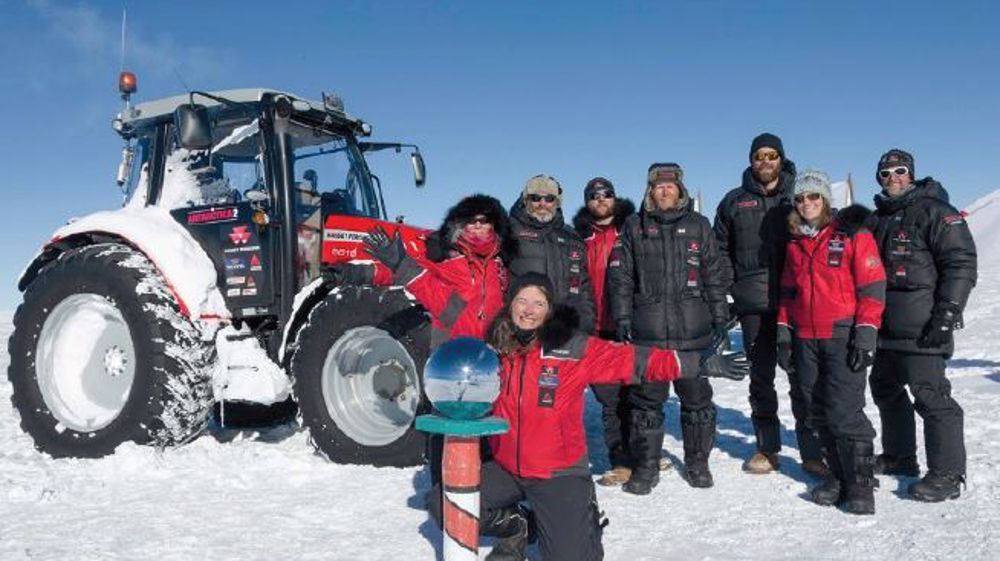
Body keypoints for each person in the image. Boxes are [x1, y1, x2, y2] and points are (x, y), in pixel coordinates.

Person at [426, 273, 748, 561]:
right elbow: (449, 306)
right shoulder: (496, 347)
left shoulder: (572, 347)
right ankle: (520, 525)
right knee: (444, 502)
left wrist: (696, 364)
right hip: (508, 467)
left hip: (558, 473)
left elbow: (634, 361)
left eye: (538, 302)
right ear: (510, 305)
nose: (528, 309)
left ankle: (583, 518)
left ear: (549, 309)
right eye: (521, 300)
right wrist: (403, 269)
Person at [363, 194, 515, 485]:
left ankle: (482, 486)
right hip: (450, 358)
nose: (478, 228)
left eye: (484, 222)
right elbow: (408, 273)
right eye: (471, 222)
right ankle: (440, 486)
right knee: (445, 422)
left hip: (487, 361)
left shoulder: (501, 268)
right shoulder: (449, 263)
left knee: (485, 424)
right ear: (460, 227)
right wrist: (363, 272)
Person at [606, 163, 729, 493]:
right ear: (650, 191)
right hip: (649, 334)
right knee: (646, 406)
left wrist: (720, 319)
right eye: (658, 187)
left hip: (694, 332)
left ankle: (698, 464)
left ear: (679, 190)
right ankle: (646, 468)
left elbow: (715, 275)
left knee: (698, 403)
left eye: (670, 186)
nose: (664, 191)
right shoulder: (634, 227)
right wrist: (622, 319)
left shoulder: (699, 226)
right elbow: (619, 278)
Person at [713, 133, 829, 477]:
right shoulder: (734, 201)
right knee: (761, 379)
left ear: (781, 158)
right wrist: (731, 289)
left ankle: (812, 451)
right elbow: (720, 249)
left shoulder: (800, 196)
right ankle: (767, 447)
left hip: (798, 304)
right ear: (751, 160)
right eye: (759, 156)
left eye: (772, 155)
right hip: (754, 305)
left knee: (803, 378)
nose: (766, 161)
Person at [868, 149, 977, 502]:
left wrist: (946, 314)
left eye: (900, 171)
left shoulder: (936, 212)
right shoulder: (878, 218)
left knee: (931, 397)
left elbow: (960, 264)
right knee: (885, 389)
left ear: (911, 174)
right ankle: (900, 456)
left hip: (923, 327)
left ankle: (947, 473)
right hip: (884, 328)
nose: (893, 178)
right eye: (886, 173)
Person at [776, 169, 886, 515]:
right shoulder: (795, 240)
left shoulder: (851, 234)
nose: (806, 203)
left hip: (841, 336)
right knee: (817, 410)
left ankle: (861, 487)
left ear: (825, 199)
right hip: (805, 337)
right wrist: (783, 329)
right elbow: (787, 291)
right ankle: (838, 477)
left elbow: (872, 285)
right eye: (801, 198)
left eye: (814, 196)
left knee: (845, 412)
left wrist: (866, 330)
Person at [571, 177, 638, 486]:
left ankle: (642, 452)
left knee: (637, 395)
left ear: (615, 197)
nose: (601, 199)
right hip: (595, 327)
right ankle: (621, 460)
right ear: (587, 201)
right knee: (609, 398)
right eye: (594, 196)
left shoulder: (633, 229)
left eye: (606, 194)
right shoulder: (577, 238)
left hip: (630, 324)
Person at [507, 174, 597, 333]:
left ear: (557, 202)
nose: (542, 204)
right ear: (525, 200)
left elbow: (582, 286)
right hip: (523, 326)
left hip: (565, 328)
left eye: (549, 199)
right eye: (535, 198)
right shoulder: (509, 230)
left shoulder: (571, 237)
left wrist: (586, 323)